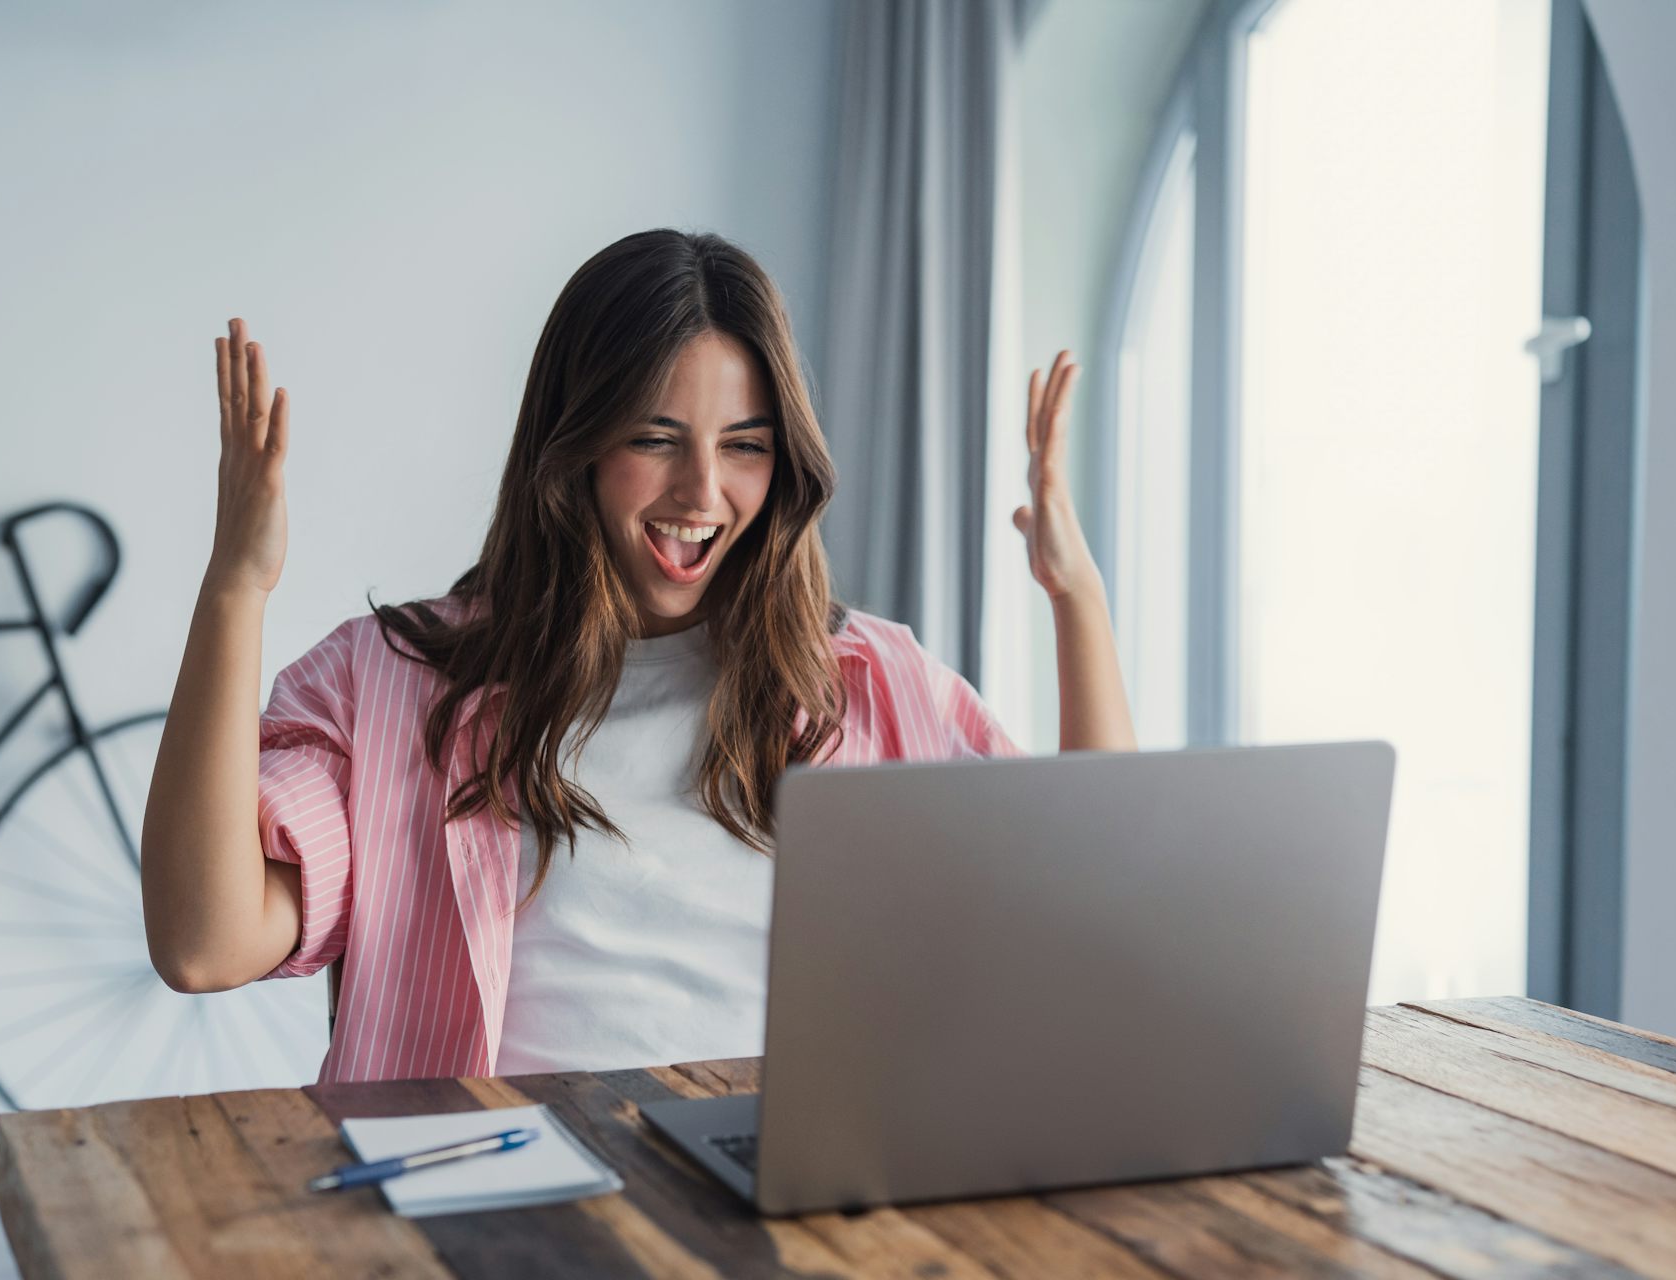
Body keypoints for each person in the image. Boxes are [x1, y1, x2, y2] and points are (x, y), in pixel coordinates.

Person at [141, 229, 1136, 1085]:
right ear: (572, 450)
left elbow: (1093, 906)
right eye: (657, 439)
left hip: (781, 1204)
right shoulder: (394, 685)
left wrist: (1077, 600)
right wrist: (236, 586)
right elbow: (203, 938)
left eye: (744, 444)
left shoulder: (867, 685)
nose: (702, 492)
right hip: (497, 1217)